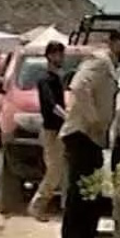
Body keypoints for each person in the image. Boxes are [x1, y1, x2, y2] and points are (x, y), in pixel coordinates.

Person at [60, 28, 120, 238]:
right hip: (83, 135)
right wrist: (95, 121)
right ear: (113, 42)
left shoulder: (108, 66)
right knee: (85, 195)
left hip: (89, 137)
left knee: (83, 194)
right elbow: (79, 88)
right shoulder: (99, 62)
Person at [28, 41, 70, 220]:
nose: (61, 58)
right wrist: (67, 117)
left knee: (60, 171)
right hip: (51, 131)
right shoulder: (45, 79)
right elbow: (52, 105)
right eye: (58, 54)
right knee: (54, 172)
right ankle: (37, 206)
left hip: (59, 131)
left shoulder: (57, 79)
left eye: (62, 54)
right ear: (50, 56)